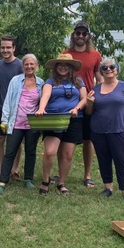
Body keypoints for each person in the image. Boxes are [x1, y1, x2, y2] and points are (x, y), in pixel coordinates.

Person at [85, 58, 124, 203]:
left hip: (119, 130)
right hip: (98, 131)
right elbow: (89, 112)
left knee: (121, 160)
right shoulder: (95, 89)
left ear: (117, 70)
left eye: (111, 67)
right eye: (104, 68)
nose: (108, 70)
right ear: (101, 72)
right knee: (103, 160)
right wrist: (89, 103)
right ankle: (108, 188)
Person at [35, 54, 87, 195]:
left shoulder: (78, 82)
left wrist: (77, 108)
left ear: (71, 67)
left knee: (68, 154)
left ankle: (61, 183)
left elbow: (85, 99)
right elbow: (45, 95)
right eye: (60, 64)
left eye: (66, 64)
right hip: (54, 118)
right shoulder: (50, 81)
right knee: (50, 152)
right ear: (56, 67)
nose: (63, 67)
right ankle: (45, 180)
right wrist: (41, 108)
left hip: (73, 119)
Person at [0, 54, 44, 194]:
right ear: (23, 66)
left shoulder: (41, 83)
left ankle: (28, 179)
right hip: (16, 123)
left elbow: (43, 103)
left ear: (36, 65)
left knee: (31, 151)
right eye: (26, 64)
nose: (29, 67)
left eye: (32, 64)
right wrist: (4, 120)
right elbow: (8, 101)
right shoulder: (15, 81)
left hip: (33, 124)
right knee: (10, 152)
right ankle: (3, 181)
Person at [62, 21, 103, 188]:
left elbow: (99, 78)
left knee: (88, 139)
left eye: (84, 33)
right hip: (67, 101)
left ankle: (87, 175)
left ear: (88, 36)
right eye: (77, 33)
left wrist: (99, 96)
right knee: (63, 138)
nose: (80, 36)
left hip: (88, 101)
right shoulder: (66, 53)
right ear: (73, 35)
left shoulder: (95, 55)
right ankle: (60, 172)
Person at [0, 34, 24, 180]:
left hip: (17, 108)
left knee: (15, 141)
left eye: (8, 47)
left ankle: (15, 169)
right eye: (3, 47)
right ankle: (0, 168)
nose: (5, 50)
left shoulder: (20, 65)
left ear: (14, 48)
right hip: (1, 107)